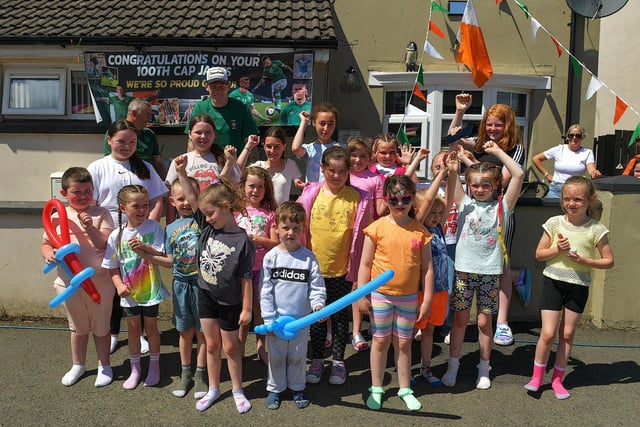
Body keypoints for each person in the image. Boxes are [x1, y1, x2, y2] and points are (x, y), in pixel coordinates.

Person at [175, 155, 255, 414]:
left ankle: (237, 389)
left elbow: (246, 278)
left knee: (231, 347)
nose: (207, 218)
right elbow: (192, 197)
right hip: (206, 295)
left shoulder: (243, 241)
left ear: (226, 206)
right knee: (211, 345)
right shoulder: (208, 227)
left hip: (230, 301)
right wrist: (182, 173)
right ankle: (213, 388)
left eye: (211, 213)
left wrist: (246, 309)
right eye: (205, 214)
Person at [442, 141, 524, 390]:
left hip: (489, 273)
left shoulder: (504, 206)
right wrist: (454, 169)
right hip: (464, 271)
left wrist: (497, 152)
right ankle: (453, 365)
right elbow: (454, 182)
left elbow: (518, 173)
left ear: (497, 186)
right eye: (475, 185)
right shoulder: (465, 203)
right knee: (460, 320)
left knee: (484, 322)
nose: (479, 189)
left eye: (485, 185)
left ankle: (484, 367)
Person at [449, 95, 527, 347]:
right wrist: (460, 111)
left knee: (500, 265)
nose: (493, 129)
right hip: (472, 209)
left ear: (508, 126)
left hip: (500, 210)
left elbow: (501, 180)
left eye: (498, 125)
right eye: (489, 124)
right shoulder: (481, 144)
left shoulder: (515, 148)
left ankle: (502, 322)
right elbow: (453, 139)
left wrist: (471, 163)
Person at [525, 176, 614, 399]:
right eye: (567, 199)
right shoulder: (554, 223)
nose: (571, 203)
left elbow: (608, 261)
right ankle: (536, 377)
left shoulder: (596, 229)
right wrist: (557, 249)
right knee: (547, 333)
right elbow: (539, 254)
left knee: (567, 333)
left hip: (578, 286)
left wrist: (587, 261)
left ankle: (557, 380)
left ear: (590, 200)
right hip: (553, 282)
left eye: (578, 199)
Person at [89, 120, 168, 354]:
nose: (126, 146)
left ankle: (141, 333)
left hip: (141, 236)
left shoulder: (144, 166)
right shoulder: (97, 167)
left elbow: (156, 200)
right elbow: (90, 204)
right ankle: (114, 332)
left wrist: (148, 225)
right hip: (109, 235)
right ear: (109, 140)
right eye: (121, 141)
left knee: (139, 283)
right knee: (115, 286)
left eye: (132, 142)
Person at [357, 175, 434, 411]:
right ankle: (377, 388)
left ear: (413, 200)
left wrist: (428, 299)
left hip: (409, 297)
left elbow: (427, 268)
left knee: (403, 344)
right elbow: (365, 264)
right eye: (394, 199)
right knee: (380, 341)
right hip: (381, 295)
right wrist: (361, 295)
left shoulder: (420, 232)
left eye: (406, 198)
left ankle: (404, 388)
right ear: (386, 200)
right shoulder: (376, 228)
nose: (400, 203)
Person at [297, 146, 372, 386]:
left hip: (342, 271)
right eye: (332, 171)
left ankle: (338, 362)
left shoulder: (358, 198)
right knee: (317, 318)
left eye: (342, 171)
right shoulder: (312, 194)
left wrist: (359, 274)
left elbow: (363, 237)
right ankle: (318, 359)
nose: (337, 176)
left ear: (348, 171)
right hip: (315, 270)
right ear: (323, 169)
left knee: (340, 319)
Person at [40, 167, 115, 387]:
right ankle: (78, 365)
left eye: (87, 191)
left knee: (101, 327)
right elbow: (46, 244)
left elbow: (105, 244)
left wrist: (90, 228)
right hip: (67, 283)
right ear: (63, 194)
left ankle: (105, 365)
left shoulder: (101, 213)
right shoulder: (57, 216)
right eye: (76, 191)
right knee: (77, 327)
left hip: (99, 283)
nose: (83, 196)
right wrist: (49, 255)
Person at [137, 177, 208, 399]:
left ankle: (201, 374)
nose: (186, 202)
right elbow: (169, 261)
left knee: (202, 333)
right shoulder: (169, 229)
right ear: (172, 201)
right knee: (185, 331)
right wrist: (146, 254)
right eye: (180, 199)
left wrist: (181, 172)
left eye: (189, 198)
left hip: (203, 286)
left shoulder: (203, 221)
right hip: (181, 286)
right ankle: (185, 373)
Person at [102, 185, 170, 390]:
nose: (142, 209)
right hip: (129, 293)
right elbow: (112, 267)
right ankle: (135, 369)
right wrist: (119, 285)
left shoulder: (154, 227)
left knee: (151, 329)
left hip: (150, 290)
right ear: (123, 208)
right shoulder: (116, 235)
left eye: (145, 205)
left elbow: (160, 255)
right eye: (136, 206)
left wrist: (145, 248)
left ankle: (155, 366)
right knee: (133, 331)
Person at [260, 201, 326, 410]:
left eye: (296, 228)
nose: (290, 233)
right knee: (277, 357)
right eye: (286, 227)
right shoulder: (271, 257)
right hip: (277, 323)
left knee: (298, 356)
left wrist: (318, 306)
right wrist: (269, 319)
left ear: (303, 230)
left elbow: (316, 287)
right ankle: (275, 389)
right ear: (277, 228)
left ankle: (298, 387)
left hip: (300, 321)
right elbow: (265, 291)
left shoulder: (308, 259)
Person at [235, 166, 280, 365]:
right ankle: (240, 347)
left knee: (259, 310)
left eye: (260, 187)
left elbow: (276, 242)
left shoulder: (270, 213)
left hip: (261, 269)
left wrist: (259, 240)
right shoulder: (235, 212)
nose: (255, 191)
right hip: (239, 269)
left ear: (266, 189)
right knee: (241, 312)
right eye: (251, 186)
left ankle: (261, 347)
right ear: (243, 186)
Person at [412, 168, 452, 387]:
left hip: (439, 290)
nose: (436, 217)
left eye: (439, 213)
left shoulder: (439, 229)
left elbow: (451, 197)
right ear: (420, 211)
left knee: (429, 330)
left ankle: (425, 367)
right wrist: (441, 174)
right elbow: (427, 200)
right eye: (432, 213)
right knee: (409, 332)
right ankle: (405, 370)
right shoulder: (417, 228)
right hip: (419, 291)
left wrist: (453, 173)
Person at [345, 136, 385, 353]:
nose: (358, 160)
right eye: (354, 155)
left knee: (361, 282)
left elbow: (380, 209)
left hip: (366, 236)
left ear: (370, 158)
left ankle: (359, 330)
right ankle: (345, 329)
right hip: (343, 234)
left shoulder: (375, 179)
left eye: (363, 156)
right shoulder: (344, 176)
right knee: (344, 282)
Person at [165, 114, 242, 224]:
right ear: (190, 134)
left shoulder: (226, 159)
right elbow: (170, 196)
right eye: (198, 132)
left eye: (208, 132)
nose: (203, 136)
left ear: (214, 134)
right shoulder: (180, 162)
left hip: (218, 221)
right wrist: (170, 225)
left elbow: (237, 189)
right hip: (187, 223)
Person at [185, 67, 259, 153]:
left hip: (236, 163)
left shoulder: (240, 107)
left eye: (221, 87)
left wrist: (251, 165)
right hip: (207, 163)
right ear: (207, 87)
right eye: (213, 87)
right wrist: (190, 163)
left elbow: (250, 140)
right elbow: (191, 140)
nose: (218, 90)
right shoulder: (199, 108)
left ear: (228, 86)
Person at [532, 124, 602, 198]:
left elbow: (591, 168)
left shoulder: (587, 152)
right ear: (568, 137)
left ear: (582, 137)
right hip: (556, 189)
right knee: (553, 209)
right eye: (571, 135)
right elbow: (536, 159)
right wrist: (547, 175)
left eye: (578, 135)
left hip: (575, 189)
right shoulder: (559, 149)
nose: (574, 138)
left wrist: (594, 172)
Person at [103, 98, 167, 179]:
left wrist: (165, 182)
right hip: (122, 178)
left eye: (150, 114)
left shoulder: (149, 134)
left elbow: (157, 162)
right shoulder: (115, 132)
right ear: (134, 113)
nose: (150, 118)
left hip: (147, 179)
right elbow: (110, 161)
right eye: (146, 114)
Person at [291, 102, 341, 186]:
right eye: (322, 124)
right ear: (314, 123)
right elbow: (296, 149)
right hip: (313, 195)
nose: (326, 128)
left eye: (330, 124)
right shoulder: (309, 148)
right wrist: (304, 122)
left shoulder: (341, 148)